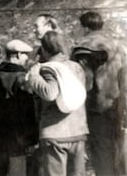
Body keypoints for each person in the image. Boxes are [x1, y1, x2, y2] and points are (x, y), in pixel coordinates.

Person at [72, 11, 127, 176]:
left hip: (96, 107)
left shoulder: (84, 47)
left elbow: (84, 81)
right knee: (117, 148)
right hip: (116, 104)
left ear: (84, 27)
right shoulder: (118, 46)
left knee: (101, 150)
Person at [26, 31, 89, 176]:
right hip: (78, 130)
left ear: (45, 49)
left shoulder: (48, 68)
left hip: (55, 132)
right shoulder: (76, 67)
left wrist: (34, 76)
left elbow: (49, 93)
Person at [0, 39, 38, 176]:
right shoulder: (23, 78)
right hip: (18, 137)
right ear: (18, 55)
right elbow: (29, 110)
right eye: (25, 55)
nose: (26, 59)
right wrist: (33, 137)